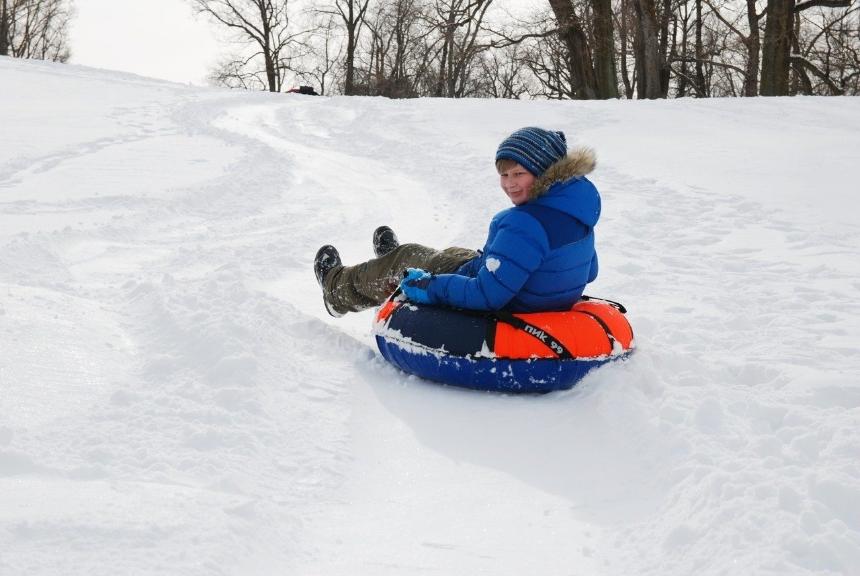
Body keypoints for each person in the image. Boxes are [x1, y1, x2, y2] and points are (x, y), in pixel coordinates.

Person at [313, 126, 600, 317]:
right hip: (520, 287)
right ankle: (388, 262)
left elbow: (486, 295)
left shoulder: (524, 224)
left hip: (501, 302)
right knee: (452, 254)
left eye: (519, 174)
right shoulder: (576, 211)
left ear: (543, 172)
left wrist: (429, 287)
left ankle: (336, 290)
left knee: (407, 256)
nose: (509, 185)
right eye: (504, 175)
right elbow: (590, 271)